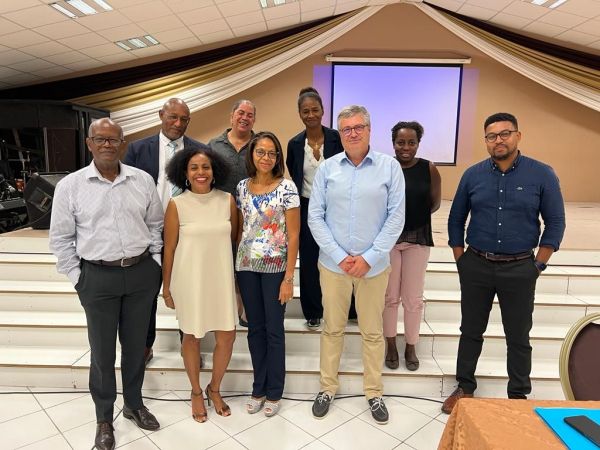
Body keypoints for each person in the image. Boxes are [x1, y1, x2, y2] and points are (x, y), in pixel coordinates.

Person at [49, 118, 163, 450]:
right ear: (89, 143)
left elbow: (155, 225)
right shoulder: (70, 186)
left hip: (140, 274)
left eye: (114, 139)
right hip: (97, 277)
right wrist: (79, 278)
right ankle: (103, 417)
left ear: (123, 143)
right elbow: (61, 239)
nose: (107, 145)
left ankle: (134, 404)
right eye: (100, 139)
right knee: (102, 352)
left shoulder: (142, 180)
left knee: (136, 347)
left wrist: (155, 265)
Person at [442, 112, 565, 414]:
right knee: (470, 330)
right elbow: (456, 219)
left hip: (520, 268)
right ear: (485, 141)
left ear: (517, 136)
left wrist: (538, 265)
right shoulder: (473, 175)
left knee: (518, 335)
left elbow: (555, 222)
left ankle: (518, 396)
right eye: (491, 136)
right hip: (476, 265)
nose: (498, 140)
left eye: (504, 134)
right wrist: (461, 260)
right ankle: (465, 386)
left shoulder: (542, 174)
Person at [308, 105, 405, 425]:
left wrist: (369, 258)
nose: (352, 133)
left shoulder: (389, 168)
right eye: (346, 128)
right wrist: (339, 256)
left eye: (358, 127)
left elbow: (396, 218)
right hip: (333, 266)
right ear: (340, 133)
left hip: (373, 268)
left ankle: (374, 392)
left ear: (369, 129)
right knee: (332, 328)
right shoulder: (327, 168)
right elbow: (315, 216)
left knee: (372, 332)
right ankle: (327, 387)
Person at [162, 145, 238, 422]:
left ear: (214, 171)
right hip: (189, 280)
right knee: (192, 337)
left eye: (205, 167)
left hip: (221, 278)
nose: (200, 172)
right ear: (185, 173)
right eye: (194, 167)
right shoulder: (177, 204)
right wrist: (166, 287)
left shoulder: (227, 200)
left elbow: (234, 241)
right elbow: (169, 249)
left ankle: (214, 388)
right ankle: (196, 391)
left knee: (227, 335)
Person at [124, 97, 202, 365]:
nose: (178, 124)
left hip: (187, 231)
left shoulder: (199, 150)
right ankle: (145, 346)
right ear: (160, 115)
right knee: (146, 293)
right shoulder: (137, 149)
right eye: (173, 117)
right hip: (149, 231)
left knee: (189, 291)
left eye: (184, 119)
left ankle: (189, 344)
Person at [235, 131, 300, 417]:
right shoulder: (242, 187)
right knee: (255, 330)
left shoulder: (287, 188)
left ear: (278, 157)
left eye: (272, 153)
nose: (266, 157)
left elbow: (294, 235)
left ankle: (274, 391)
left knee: (274, 331)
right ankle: (258, 388)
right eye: (260, 151)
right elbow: (242, 228)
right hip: (246, 267)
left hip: (275, 270)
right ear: (252, 154)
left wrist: (289, 278)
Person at [285, 87, 346, 329]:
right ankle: (312, 310)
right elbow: (295, 172)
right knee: (310, 259)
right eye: (305, 111)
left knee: (338, 255)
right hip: (307, 207)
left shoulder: (338, 139)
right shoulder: (294, 144)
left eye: (315, 110)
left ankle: (343, 307)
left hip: (336, 206)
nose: (310, 115)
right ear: (299, 113)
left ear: (323, 110)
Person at [383, 121, 441, 371]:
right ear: (393, 143)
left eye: (411, 142)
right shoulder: (385, 167)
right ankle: (390, 344)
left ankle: (410, 345)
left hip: (418, 237)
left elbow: (434, 203)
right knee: (389, 297)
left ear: (418, 144)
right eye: (400, 142)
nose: (405, 147)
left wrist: (413, 217)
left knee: (413, 298)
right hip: (388, 239)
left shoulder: (429, 168)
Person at [210, 99, 257, 327]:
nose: (244, 118)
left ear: (254, 120)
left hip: (253, 217)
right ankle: (226, 309)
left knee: (246, 264)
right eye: (241, 113)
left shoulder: (259, 144)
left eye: (250, 115)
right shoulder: (214, 145)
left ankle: (246, 308)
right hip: (220, 215)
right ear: (231, 116)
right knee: (223, 263)